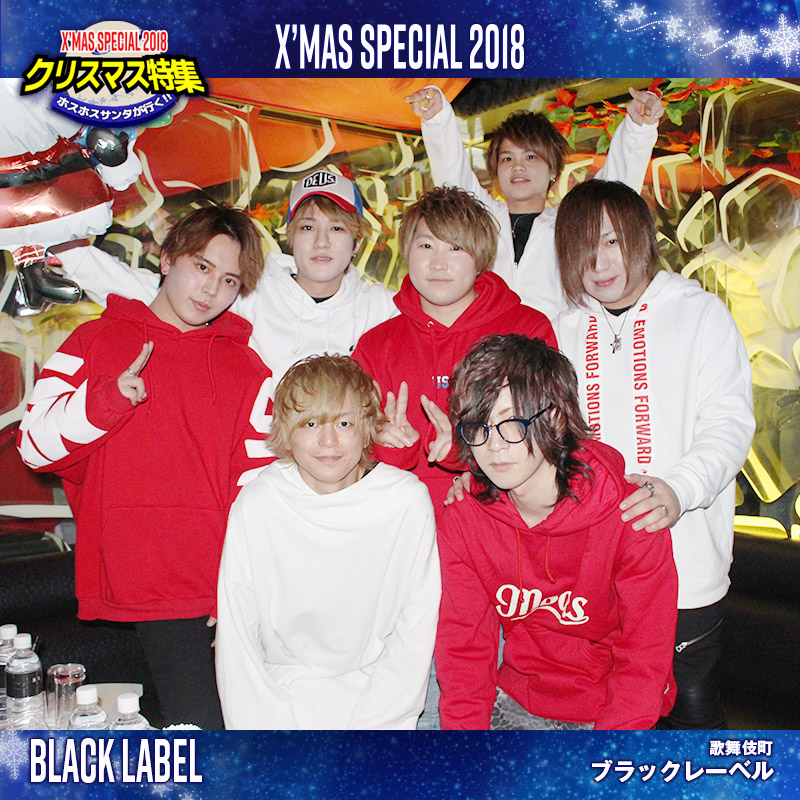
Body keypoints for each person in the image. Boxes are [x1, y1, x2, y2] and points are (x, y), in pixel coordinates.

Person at [17, 205, 273, 729]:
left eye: (229, 280)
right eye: (202, 266)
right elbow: (33, 449)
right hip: (120, 580)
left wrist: (241, 588)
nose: (212, 289)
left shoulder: (246, 366)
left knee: (209, 737)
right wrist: (105, 400)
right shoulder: (93, 340)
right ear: (168, 257)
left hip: (199, 590)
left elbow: (258, 489)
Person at [553, 179, 755, 728]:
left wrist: (678, 489)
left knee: (690, 715)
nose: (599, 262)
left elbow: (729, 424)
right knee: (608, 716)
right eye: (582, 247)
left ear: (640, 236)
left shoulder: (701, 313)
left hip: (685, 563)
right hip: (593, 573)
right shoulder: (564, 329)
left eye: (612, 241)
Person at [436, 333, 678, 730]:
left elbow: (644, 657)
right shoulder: (466, 517)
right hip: (516, 700)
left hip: (611, 710)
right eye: (478, 426)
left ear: (555, 419)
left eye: (510, 423)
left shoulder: (633, 516)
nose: (493, 446)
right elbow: (465, 649)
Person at [215, 355, 440, 729]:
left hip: (381, 702)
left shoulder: (404, 501)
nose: (328, 441)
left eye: (344, 423)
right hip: (277, 701)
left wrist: (375, 730)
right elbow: (238, 638)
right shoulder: (258, 502)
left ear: (367, 429)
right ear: (286, 432)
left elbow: (414, 630)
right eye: (310, 423)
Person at [52, 169, 396, 382]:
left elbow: (432, 293)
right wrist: (62, 246)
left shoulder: (380, 307)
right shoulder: (250, 289)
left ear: (356, 241)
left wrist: (429, 124)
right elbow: (154, 292)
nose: (321, 242)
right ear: (290, 235)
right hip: (254, 465)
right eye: (307, 227)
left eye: (337, 228)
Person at [353, 185, 556, 518]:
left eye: (455, 248)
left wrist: (466, 452)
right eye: (426, 246)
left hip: (504, 523)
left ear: (480, 258)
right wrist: (390, 446)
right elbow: (350, 454)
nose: (438, 263)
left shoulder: (527, 330)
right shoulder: (376, 345)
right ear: (407, 251)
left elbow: (548, 437)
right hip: (401, 523)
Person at [406, 84, 664, 318]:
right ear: (496, 169)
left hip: (553, 349)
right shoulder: (481, 221)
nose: (517, 167)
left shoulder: (571, 224)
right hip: (486, 350)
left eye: (531, 157)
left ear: (553, 170)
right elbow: (452, 173)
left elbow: (614, 190)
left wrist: (638, 127)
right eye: (507, 158)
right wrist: (437, 118)